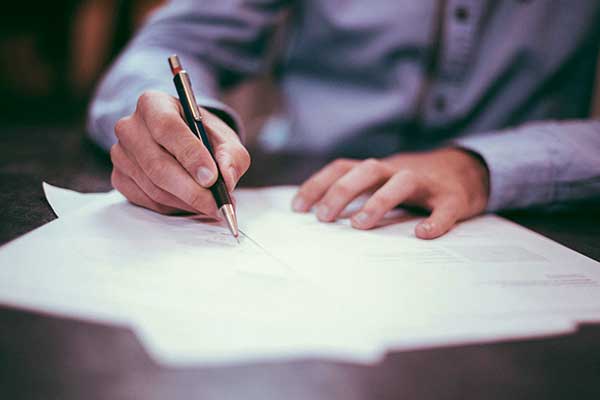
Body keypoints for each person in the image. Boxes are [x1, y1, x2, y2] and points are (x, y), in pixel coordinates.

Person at [88, 1, 600, 239]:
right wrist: (178, 126)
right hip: (302, 197)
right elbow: (167, 48)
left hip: (531, 217)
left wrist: (482, 166)